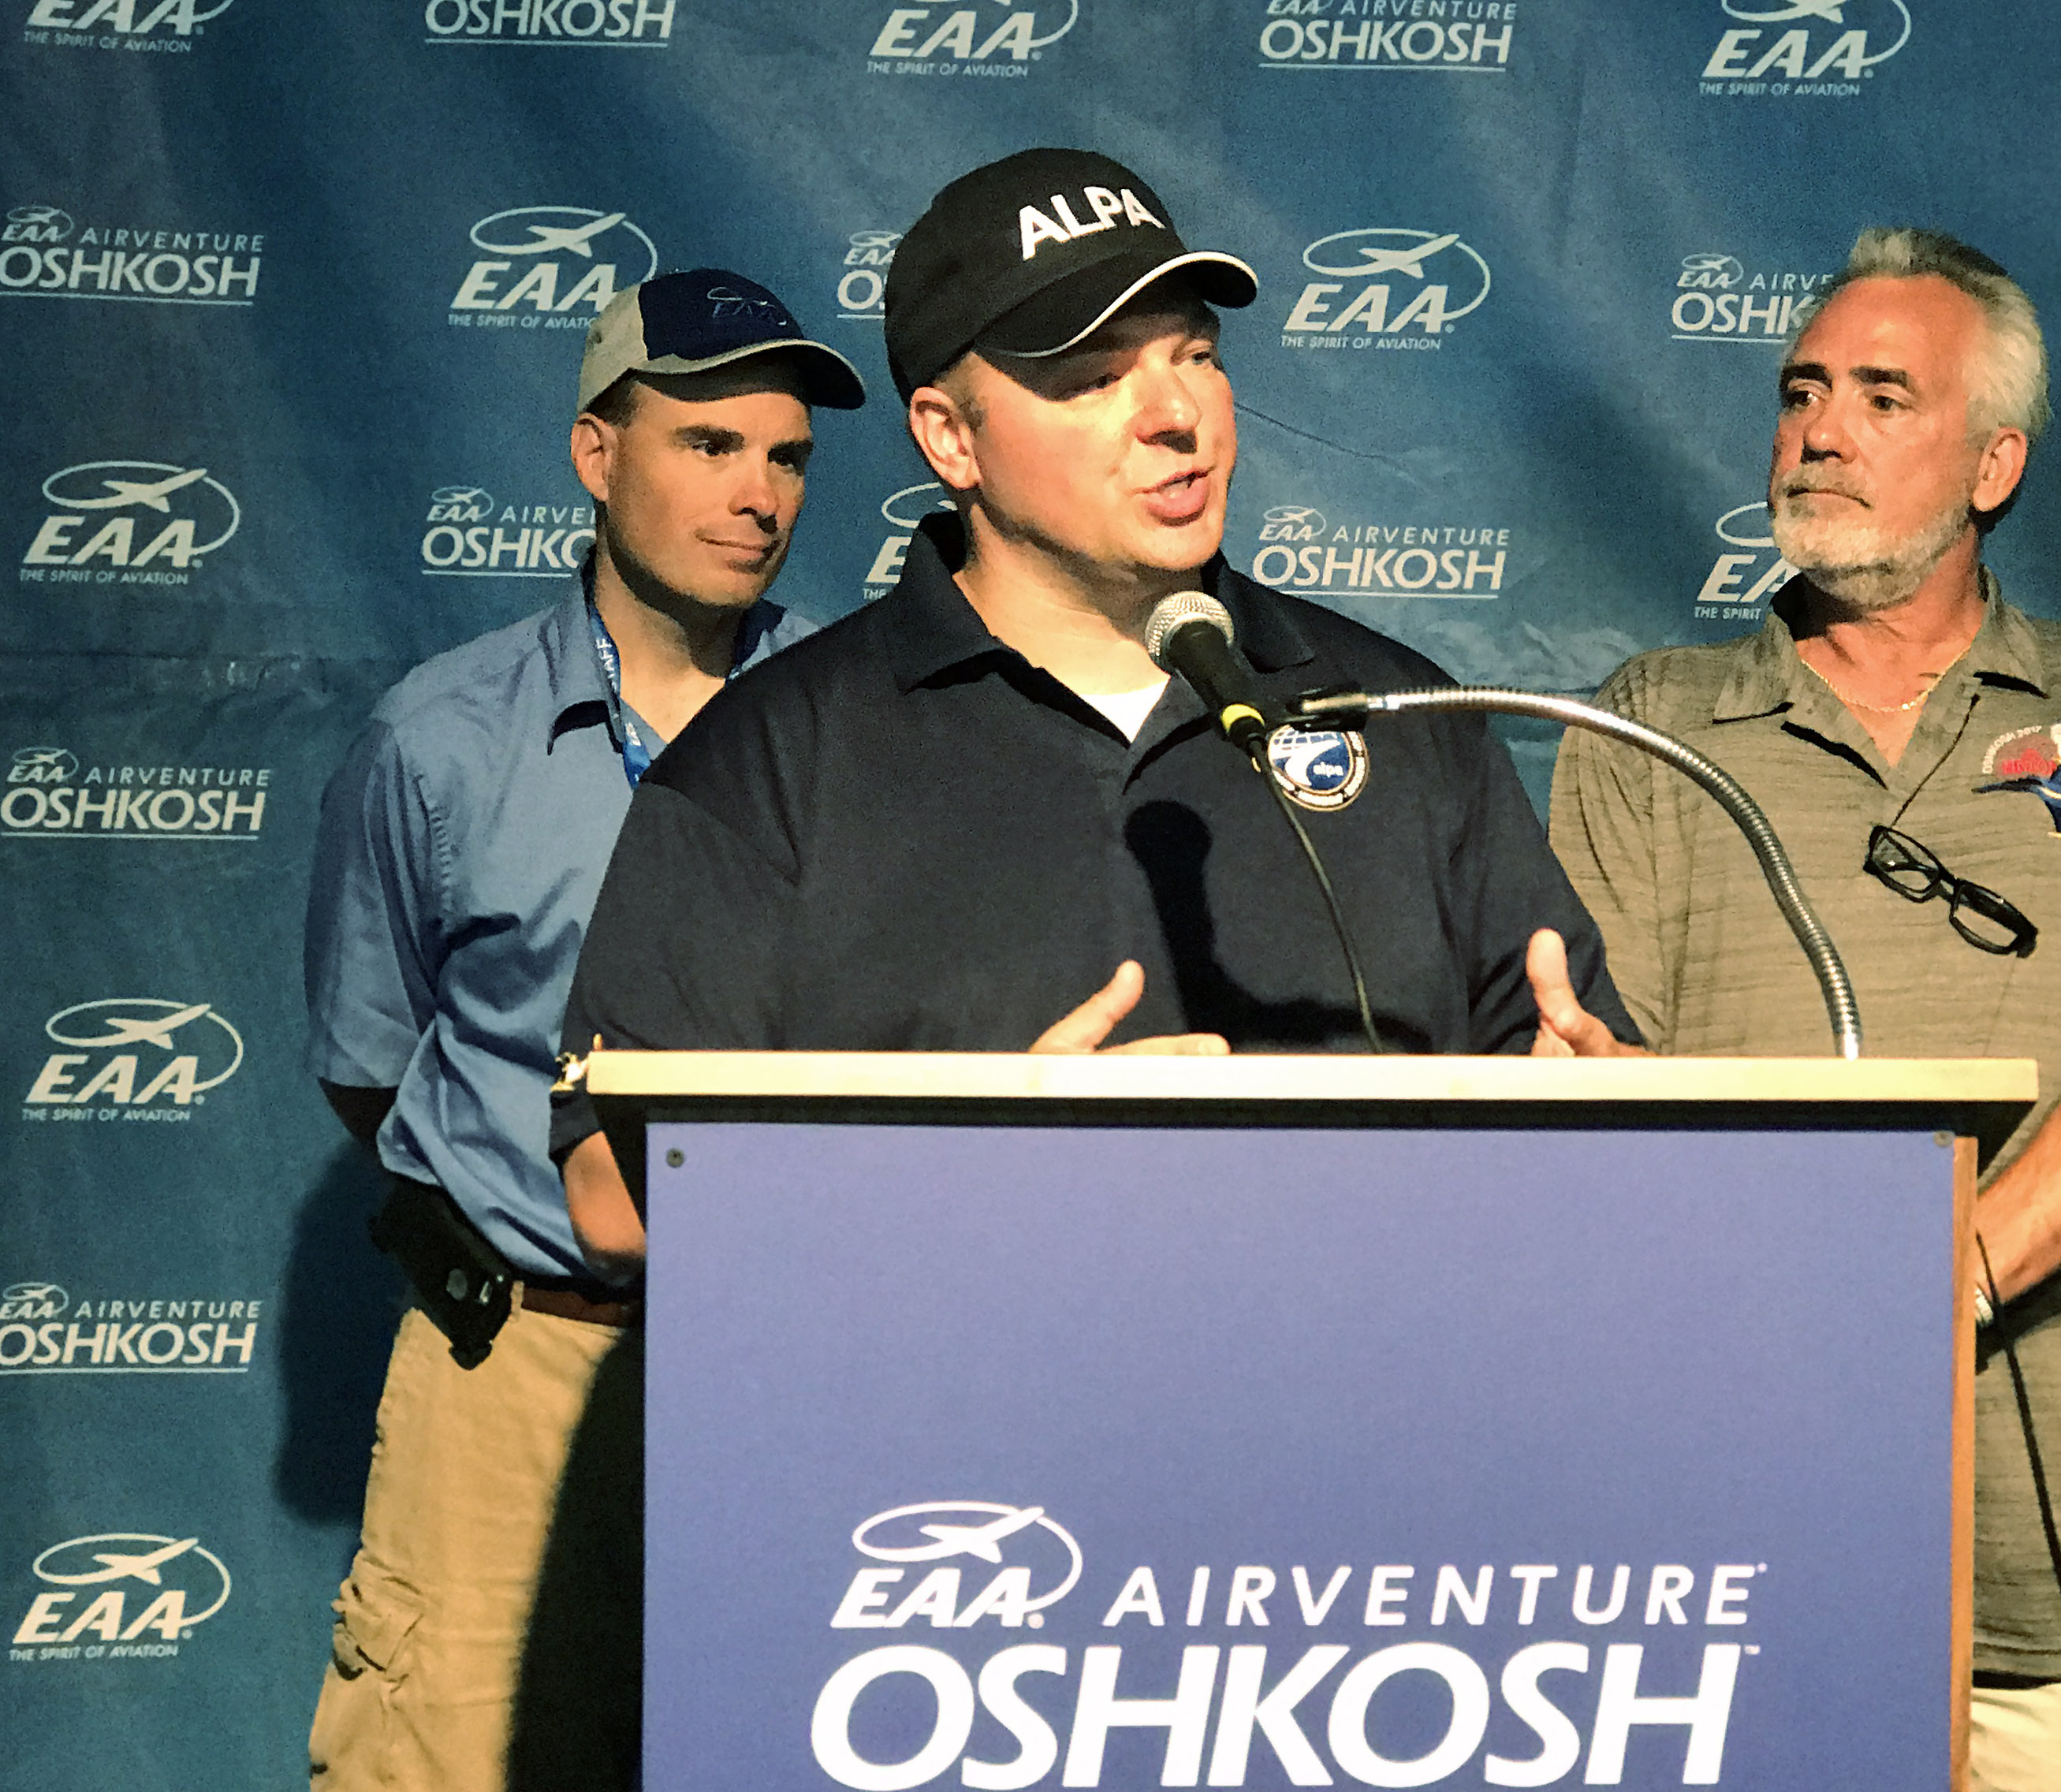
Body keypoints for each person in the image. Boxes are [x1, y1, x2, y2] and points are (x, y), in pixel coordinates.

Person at [550, 147, 1634, 1269]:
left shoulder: (1397, 714)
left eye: (1196, 355)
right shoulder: (768, 761)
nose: (1177, 414)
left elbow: (1571, 1062)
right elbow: (614, 1196)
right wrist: (1001, 1174)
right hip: (953, 1424)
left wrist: (1602, 1125)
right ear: (950, 438)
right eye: (1095, 376)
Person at [1549, 229, 2061, 1792]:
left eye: (1882, 395)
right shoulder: (1651, 722)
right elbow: (1600, 1082)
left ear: (1991, 463)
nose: (1819, 429)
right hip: (1730, 1567)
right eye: (1802, 392)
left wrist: (1937, 1289)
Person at [300, 267, 863, 1789]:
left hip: (801, 1376)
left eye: (787, 456)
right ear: (594, 453)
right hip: (519, 1369)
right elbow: (375, 1064)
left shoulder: (867, 731)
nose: (757, 495)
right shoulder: (439, 741)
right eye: (707, 444)